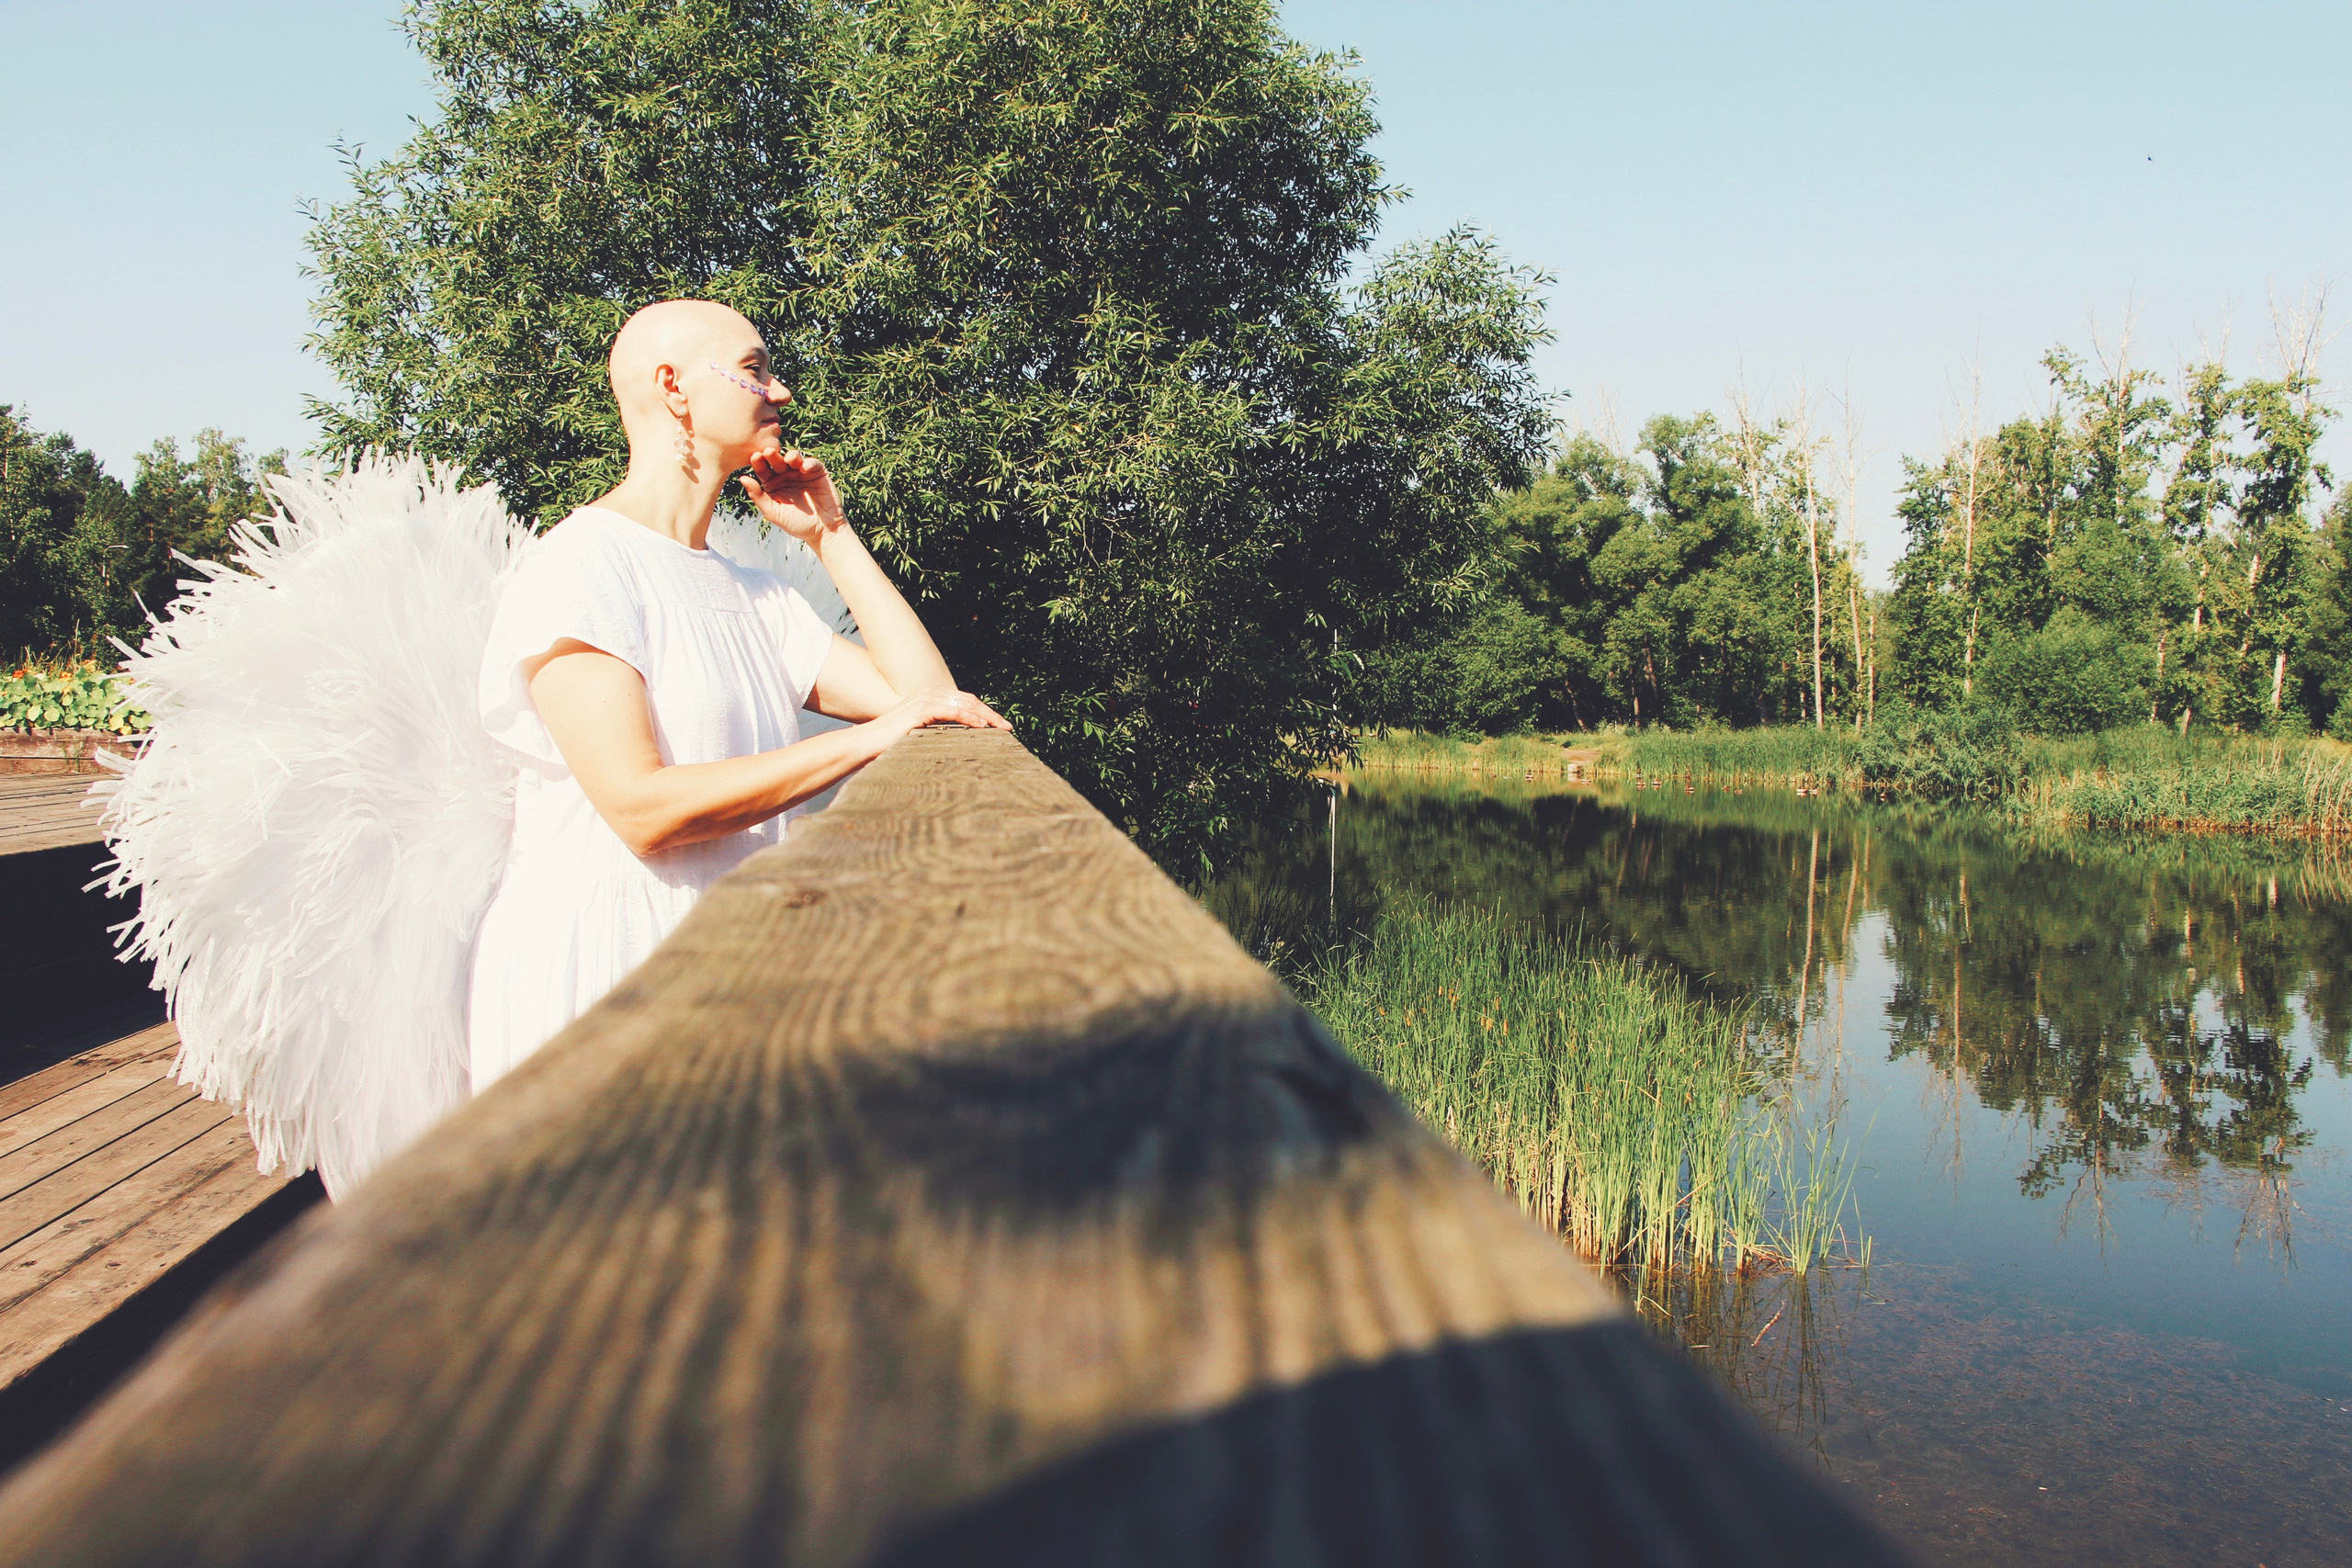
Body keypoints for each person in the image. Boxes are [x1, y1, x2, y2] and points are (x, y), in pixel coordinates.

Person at [465, 299, 1008, 1088]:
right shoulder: (581, 566)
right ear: (673, 387)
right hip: (612, 979)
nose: (782, 391)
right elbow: (642, 810)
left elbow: (929, 700)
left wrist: (831, 534)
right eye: (754, 368)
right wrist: (867, 739)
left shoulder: (755, 594)